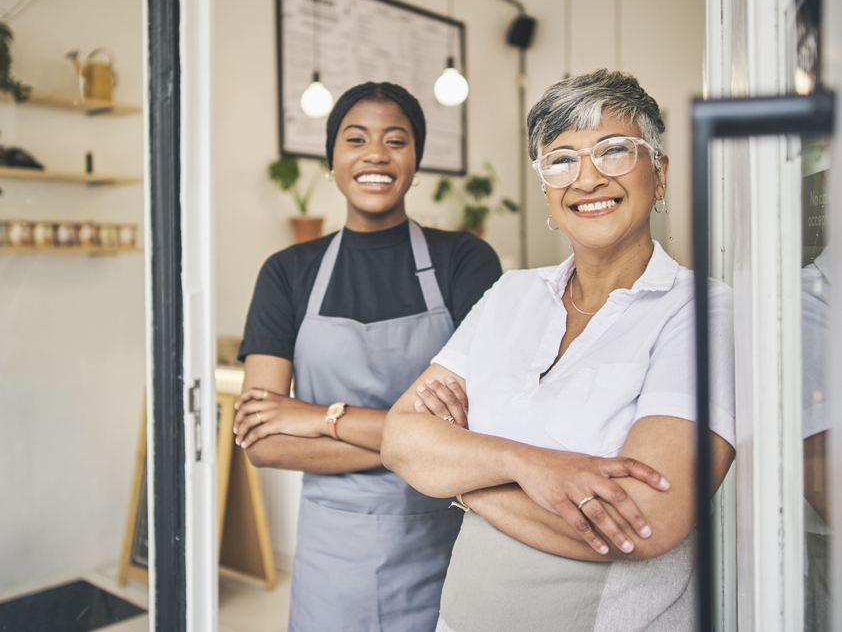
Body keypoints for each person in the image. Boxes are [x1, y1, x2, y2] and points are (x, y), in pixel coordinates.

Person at [382, 69, 737, 632]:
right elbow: (400, 438)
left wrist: (460, 469)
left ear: (660, 174)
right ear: (546, 186)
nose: (588, 178)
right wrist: (528, 466)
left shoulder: (702, 311)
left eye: (615, 151)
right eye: (562, 159)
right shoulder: (510, 294)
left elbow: (646, 518)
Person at [233, 82, 503, 632]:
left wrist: (316, 419)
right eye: (356, 139)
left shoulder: (465, 261)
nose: (376, 154)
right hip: (332, 563)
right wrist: (426, 443)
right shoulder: (287, 273)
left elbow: (482, 426)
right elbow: (261, 442)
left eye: (395, 140)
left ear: (416, 161)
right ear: (332, 160)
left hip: (446, 541)